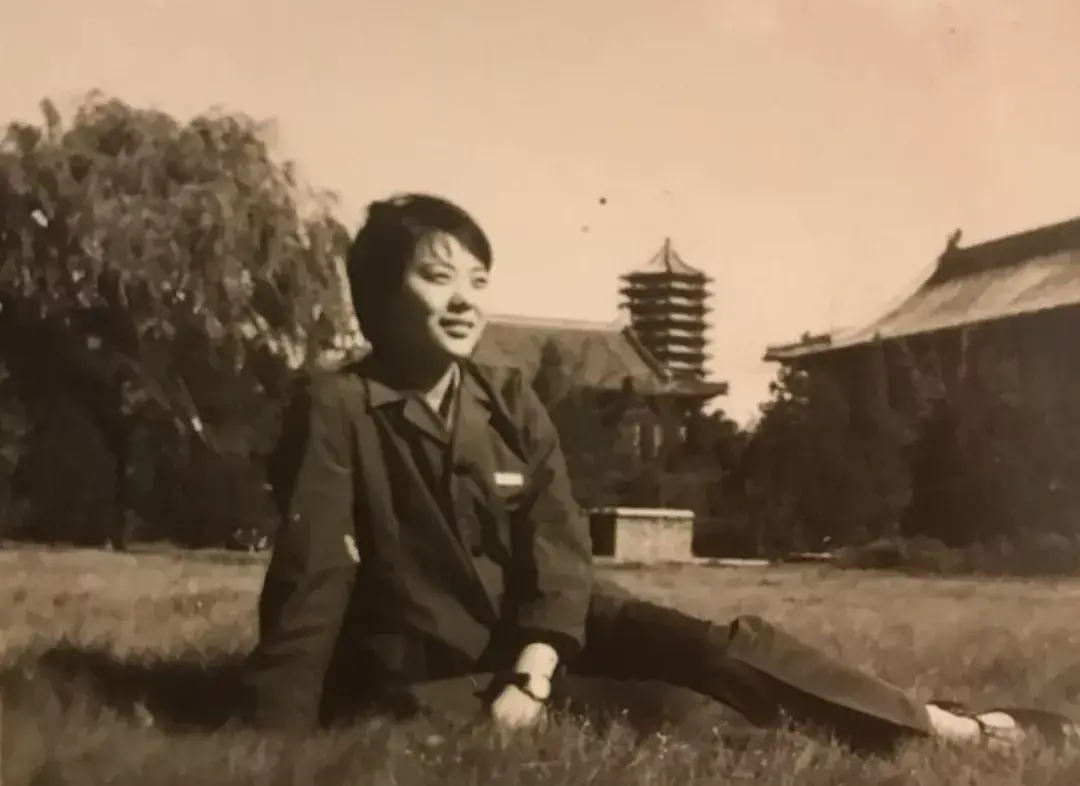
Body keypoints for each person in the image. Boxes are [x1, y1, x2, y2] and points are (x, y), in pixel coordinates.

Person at [241, 192, 1077, 752]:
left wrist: (534, 669)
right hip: (439, 669)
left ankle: (954, 729)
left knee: (727, 649)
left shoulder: (508, 398)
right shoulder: (338, 406)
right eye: (437, 278)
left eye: (478, 281)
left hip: (552, 627)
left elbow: (557, 548)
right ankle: (882, 734)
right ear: (378, 296)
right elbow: (314, 577)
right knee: (685, 716)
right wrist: (272, 738)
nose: (465, 300)